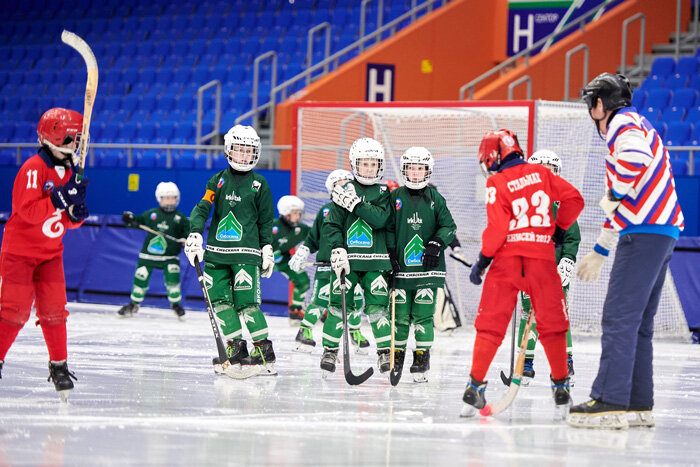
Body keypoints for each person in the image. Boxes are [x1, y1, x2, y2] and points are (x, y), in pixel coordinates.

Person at [568, 73, 684, 429]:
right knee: (638, 324)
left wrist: (615, 194)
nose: (591, 111)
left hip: (645, 232)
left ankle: (609, 400)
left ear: (600, 105)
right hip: (661, 230)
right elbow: (622, 202)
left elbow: (632, 165)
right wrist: (601, 249)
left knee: (619, 318)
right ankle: (638, 402)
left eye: (591, 103)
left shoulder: (622, 124)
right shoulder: (635, 122)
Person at [461, 129, 584, 418]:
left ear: (493, 156)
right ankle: (561, 387)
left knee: (490, 325)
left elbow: (497, 230)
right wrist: (557, 230)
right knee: (553, 326)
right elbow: (575, 200)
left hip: (507, 260)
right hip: (542, 259)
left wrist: (482, 261)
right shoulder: (542, 174)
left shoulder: (497, 181)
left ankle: (474, 386)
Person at [0, 108, 90, 399]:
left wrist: (76, 215)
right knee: (14, 311)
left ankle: (59, 366)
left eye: (78, 138)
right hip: (20, 253)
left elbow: (61, 222)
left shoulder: (71, 172)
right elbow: (26, 212)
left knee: (55, 311)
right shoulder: (33, 168)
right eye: (72, 137)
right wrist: (60, 198)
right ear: (54, 134)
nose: (76, 143)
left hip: (51, 253)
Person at [185, 125, 276, 378]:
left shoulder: (260, 183)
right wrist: (194, 232)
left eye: (249, 151)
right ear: (228, 150)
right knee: (221, 304)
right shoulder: (217, 180)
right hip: (216, 255)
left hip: (246, 255)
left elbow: (266, 220)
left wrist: (267, 247)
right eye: (239, 150)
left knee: (247, 305)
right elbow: (203, 207)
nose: (244, 156)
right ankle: (236, 347)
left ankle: (263, 350)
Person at [320, 137, 393, 376]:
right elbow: (332, 225)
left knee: (378, 309)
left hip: (376, 262)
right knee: (337, 308)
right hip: (347, 262)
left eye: (374, 164)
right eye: (364, 164)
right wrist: (337, 248)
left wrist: (355, 204)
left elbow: (381, 219)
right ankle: (330, 350)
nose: (369, 169)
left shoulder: (384, 192)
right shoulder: (342, 190)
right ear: (354, 164)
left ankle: (385, 351)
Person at [386, 147, 456, 382]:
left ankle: (421, 356)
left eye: (420, 169)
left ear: (428, 171)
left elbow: (449, 226)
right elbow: (387, 228)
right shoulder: (394, 198)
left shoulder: (436, 199)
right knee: (400, 317)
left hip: (428, 270)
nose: (415, 174)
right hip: (401, 270)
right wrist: (390, 253)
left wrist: (437, 242)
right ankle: (396, 355)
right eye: (411, 169)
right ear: (404, 170)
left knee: (424, 317)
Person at [288, 170, 370, 353]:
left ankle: (355, 332)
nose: (343, 185)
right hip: (327, 265)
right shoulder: (325, 211)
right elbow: (313, 238)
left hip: (352, 265)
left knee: (356, 299)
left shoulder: (360, 210)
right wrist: (303, 251)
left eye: (347, 182)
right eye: (339, 183)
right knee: (320, 299)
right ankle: (305, 331)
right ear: (331, 189)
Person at [517, 150, 579, 386]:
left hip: (556, 272)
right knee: (528, 314)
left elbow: (572, 237)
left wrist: (568, 261)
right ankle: (526, 363)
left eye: (550, 169)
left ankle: (565, 362)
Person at [119, 182, 189, 319]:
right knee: (141, 277)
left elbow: (188, 233)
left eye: (173, 198)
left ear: (177, 199)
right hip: (148, 256)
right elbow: (136, 221)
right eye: (166, 198)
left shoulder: (180, 218)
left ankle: (175, 304)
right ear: (160, 199)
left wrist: (185, 240)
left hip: (170, 256)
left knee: (173, 279)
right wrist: (129, 219)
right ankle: (134, 304)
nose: (170, 201)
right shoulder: (152, 214)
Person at [271, 195, 311, 325]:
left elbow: (316, 236)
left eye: (299, 213)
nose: (298, 216)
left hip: (283, 260)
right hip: (261, 260)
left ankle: (295, 311)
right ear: (285, 213)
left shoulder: (301, 229)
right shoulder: (272, 226)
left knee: (303, 281)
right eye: (295, 213)